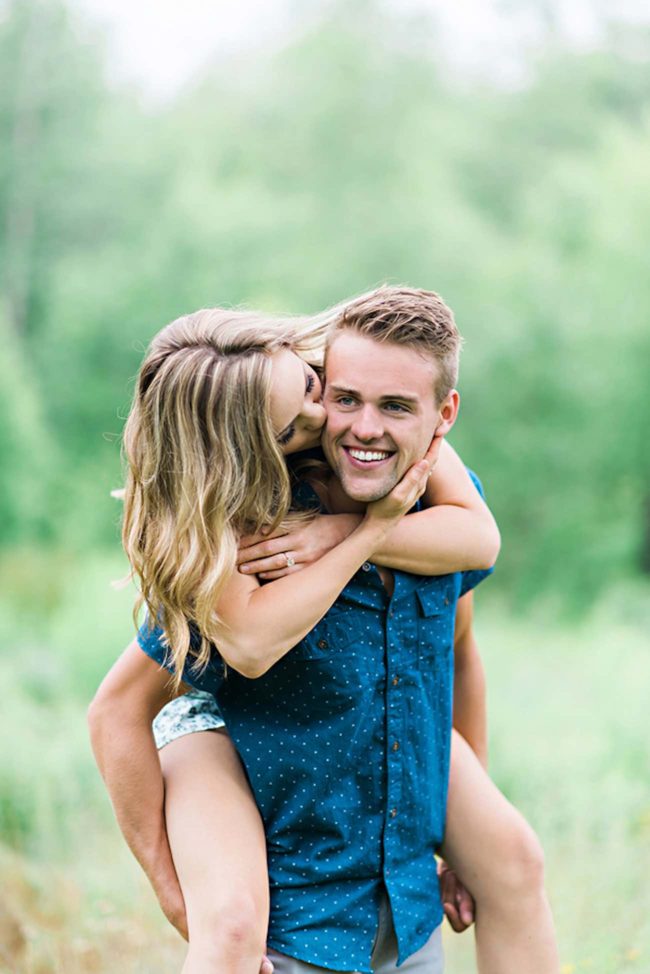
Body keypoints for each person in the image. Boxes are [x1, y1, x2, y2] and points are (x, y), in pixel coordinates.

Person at [89, 289, 559, 974]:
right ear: (254, 446)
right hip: (232, 760)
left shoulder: (419, 475)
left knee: (515, 859)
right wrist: (175, 896)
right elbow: (207, 666)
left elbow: (466, 608)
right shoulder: (250, 534)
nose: (339, 423)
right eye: (298, 422)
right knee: (230, 925)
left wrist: (353, 531)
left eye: (316, 390)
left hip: (403, 786)